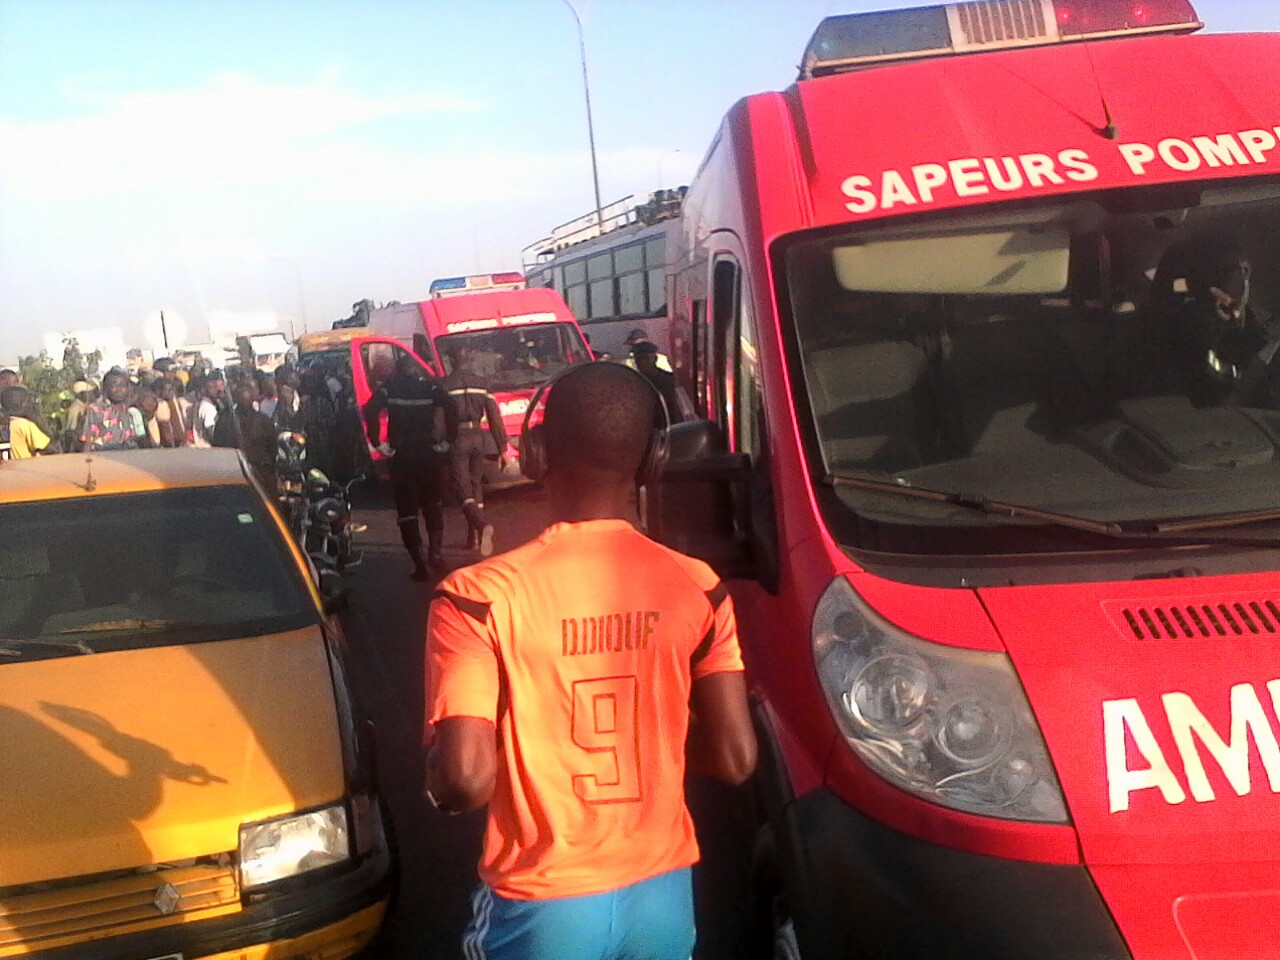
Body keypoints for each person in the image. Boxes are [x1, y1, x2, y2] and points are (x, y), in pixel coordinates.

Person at [425, 361, 756, 960]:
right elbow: (736, 759)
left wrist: (439, 779)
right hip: (662, 892)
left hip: (544, 903)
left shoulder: (476, 598)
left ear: (533, 451)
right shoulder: (701, 588)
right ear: (655, 460)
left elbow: (465, 782)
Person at [363, 352, 457, 580]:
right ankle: (435, 553)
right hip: (427, 452)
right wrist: (448, 440)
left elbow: (370, 409)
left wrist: (377, 443)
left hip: (402, 455)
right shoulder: (428, 388)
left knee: (407, 511)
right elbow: (450, 405)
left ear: (398, 370)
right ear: (415, 370)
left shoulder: (390, 388)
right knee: (432, 504)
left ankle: (419, 564)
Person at [442, 345, 509, 555]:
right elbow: (495, 418)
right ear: (468, 360)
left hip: (457, 439)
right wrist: (502, 448)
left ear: (451, 361)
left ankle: (481, 526)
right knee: (476, 484)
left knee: (462, 489)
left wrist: (438, 443)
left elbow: (438, 420)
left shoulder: (444, 386)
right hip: (479, 438)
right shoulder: (482, 384)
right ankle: (474, 538)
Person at [216, 382, 278, 492]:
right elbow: (218, 447)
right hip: (235, 474)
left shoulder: (264, 421)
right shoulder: (225, 422)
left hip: (260, 472)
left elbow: (273, 447)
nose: (246, 402)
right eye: (243, 399)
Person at [80, 369, 141, 451]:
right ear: (105, 388)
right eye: (114, 385)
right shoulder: (95, 410)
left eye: (122, 385)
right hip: (103, 457)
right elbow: (87, 441)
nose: (119, 389)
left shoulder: (128, 412)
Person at [631, 341, 685, 424]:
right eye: (638, 359)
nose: (642, 363)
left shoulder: (669, 380)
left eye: (646, 358)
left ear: (655, 359)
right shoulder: (633, 383)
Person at [299, 371, 339, 477]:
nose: (311, 387)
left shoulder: (324, 403)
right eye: (308, 385)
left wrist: (320, 423)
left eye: (312, 384)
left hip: (324, 442)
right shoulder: (304, 405)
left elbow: (333, 423)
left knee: (327, 470)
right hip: (311, 444)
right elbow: (301, 424)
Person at [1, 386, 52, 459]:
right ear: (22, 403)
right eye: (28, 401)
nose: (31, 404)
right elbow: (49, 448)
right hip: (25, 467)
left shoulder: (4, 424)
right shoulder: (23, 424)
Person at [153, 377, 191, 447]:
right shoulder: (160, 405)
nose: (172, 392)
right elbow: (166, 429)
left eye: (172, 389)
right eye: (168, 390)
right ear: (158, 391)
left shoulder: (174, 402)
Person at [191, 371, 226, 448]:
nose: (219, 390)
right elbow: (211, 432)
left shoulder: (205, 404)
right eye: (213, 387)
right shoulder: (207, 407)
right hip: (207, 449)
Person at [63, 380, 95, 449]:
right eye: (88, 392)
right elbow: (72, 432)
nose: (92, 394)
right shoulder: (75, 409)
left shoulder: (86, 407)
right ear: (80, 394)